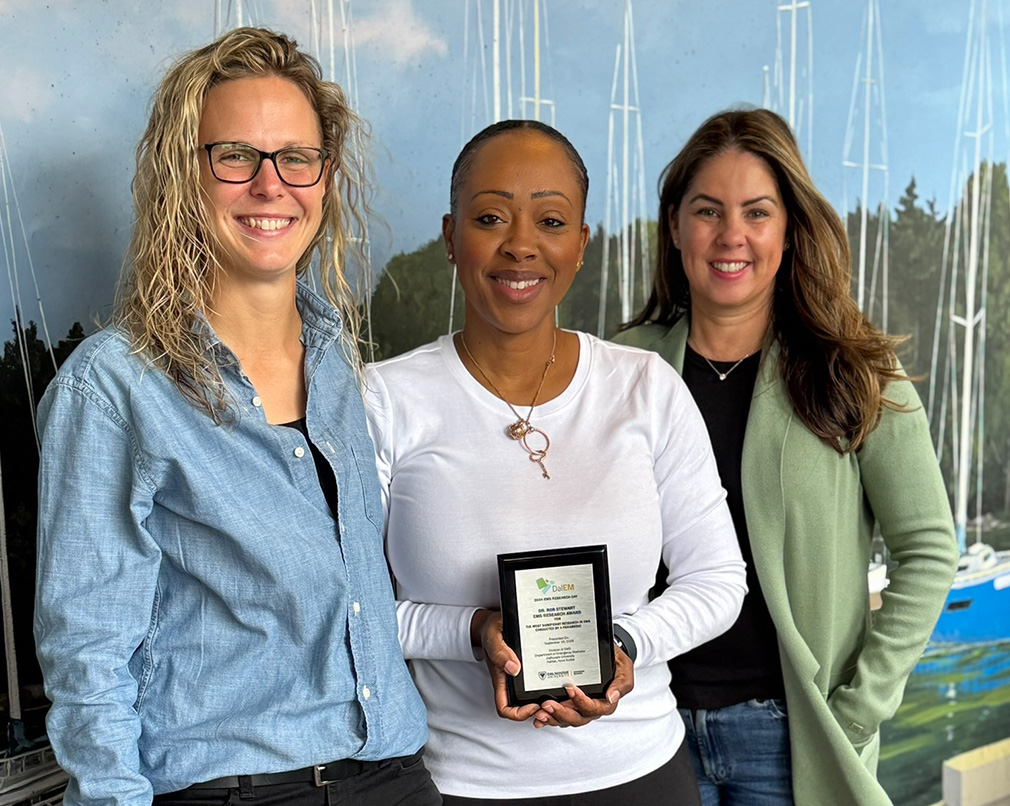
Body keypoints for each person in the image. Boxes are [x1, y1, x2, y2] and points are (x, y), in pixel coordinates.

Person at [34, 28, 440, 806]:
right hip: (238, 791)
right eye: (235, 157)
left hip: (394, 778)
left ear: (325, 177)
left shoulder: (341, 370)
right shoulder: (114, 390)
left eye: (295, 157)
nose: (269, 185)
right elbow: (89, 657)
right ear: (183, 177)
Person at [363, 119, 748, 806]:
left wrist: (626, 641)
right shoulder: (383, 399)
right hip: (458, 786)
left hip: (642, 778)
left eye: (550, 219)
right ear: (451, 238)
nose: (520, 245)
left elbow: (718, 580)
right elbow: (350, 607)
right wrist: (474, 633)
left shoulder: (646, 388)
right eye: (490, 217)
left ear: (579, 245)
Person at [614, 108, 959, 806]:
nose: (730, 234)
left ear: (789, 228)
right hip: (648, 731)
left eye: (757, 212)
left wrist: (856, 707)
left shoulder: (855, 372)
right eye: (707, 211)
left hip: (789, 741)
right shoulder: (620, 367)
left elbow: (927, 549)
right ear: (675, 224)